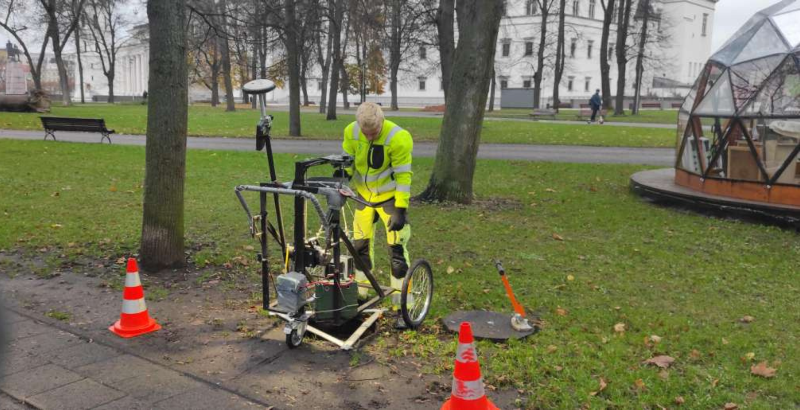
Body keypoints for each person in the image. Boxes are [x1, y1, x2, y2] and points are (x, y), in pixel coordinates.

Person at [340, 102, 414, 329]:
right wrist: (342, 180)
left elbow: (403, 177)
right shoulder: (351, 131)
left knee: (397, 251)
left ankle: (403, 305)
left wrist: (400, 210)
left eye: (374, 133)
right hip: (363, 198)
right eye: (366, 133)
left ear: (381, 122)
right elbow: (347, 162)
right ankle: (362, 295)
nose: (369, 137)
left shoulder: (399, 138)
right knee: (358, 246)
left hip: (390, 199)